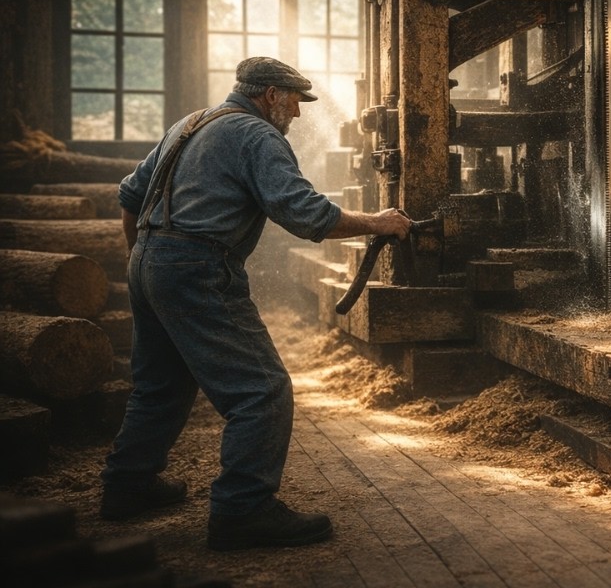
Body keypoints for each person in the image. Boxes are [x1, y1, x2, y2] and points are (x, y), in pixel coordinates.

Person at [101, 56, 412, 551]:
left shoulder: (190, 123)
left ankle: (126, 487)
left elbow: (130, 196)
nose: (299, 112)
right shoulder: (258, 136)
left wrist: (142, 260)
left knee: (159, 386)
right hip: (199, 266)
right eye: (293, 101)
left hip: (147, 260)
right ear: (270, 95)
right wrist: (378, 222)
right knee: (261, 391)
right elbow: (304, 213)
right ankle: (243, 510)